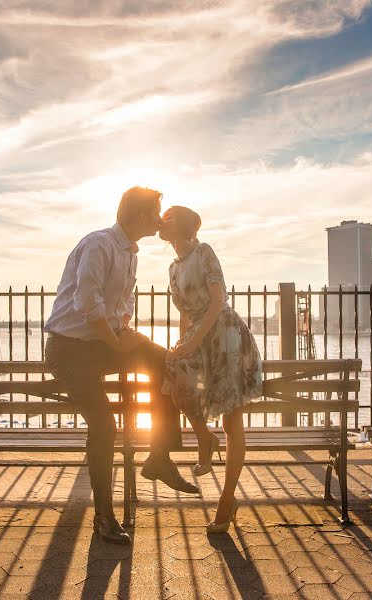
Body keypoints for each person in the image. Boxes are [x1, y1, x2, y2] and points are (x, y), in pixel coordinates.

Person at [44, 187, 199, 545]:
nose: (160, 219)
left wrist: (124, 330)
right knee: (104, 425)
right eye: (156, 212)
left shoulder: (130, 252)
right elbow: (87, 302)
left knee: (162, 360)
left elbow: (122, 301)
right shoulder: (99, 245)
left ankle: (158, 457)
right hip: (68, 350)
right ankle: (104, 519)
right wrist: (116, 342)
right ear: (140, 216)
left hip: (101, 343)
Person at [158, 206, 262, 534]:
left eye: (169, 215)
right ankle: (204, 436)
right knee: (172, 375)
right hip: (199, 337)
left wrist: (193, 341)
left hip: (226, 336)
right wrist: (182, 342)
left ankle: (227, 499)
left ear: (184, 224)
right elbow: (185, 313)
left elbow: (217, 302)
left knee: (233, 421)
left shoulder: (204, 252)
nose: (163, 219)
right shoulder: (173, 268)